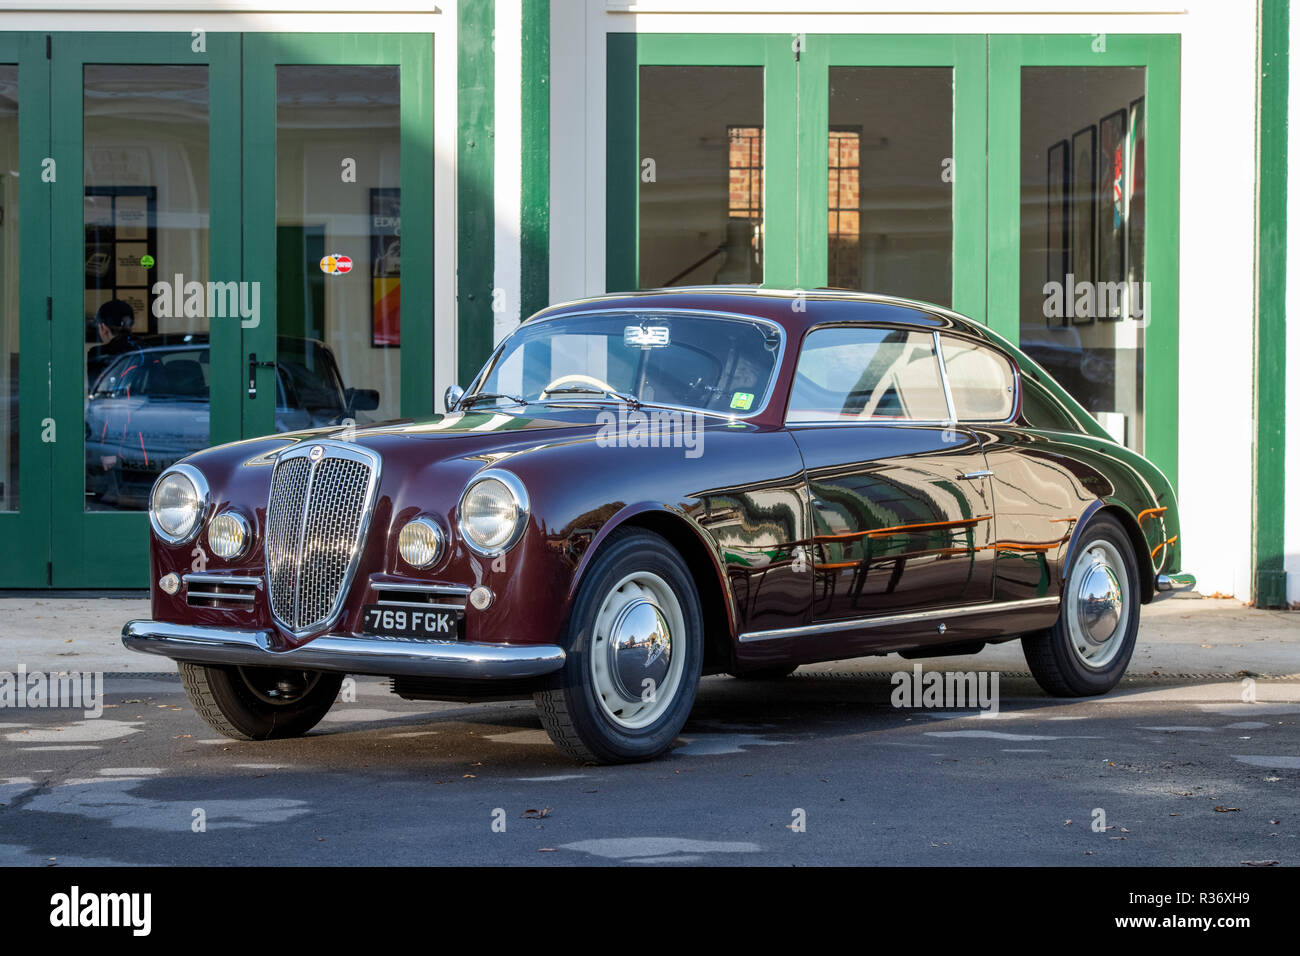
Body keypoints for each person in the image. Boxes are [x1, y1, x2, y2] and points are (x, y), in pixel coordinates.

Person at [86, 298, 141, 389]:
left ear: (103, 328)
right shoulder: (146, 349)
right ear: (131, 327)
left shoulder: (99, 354)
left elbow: (95, 391)